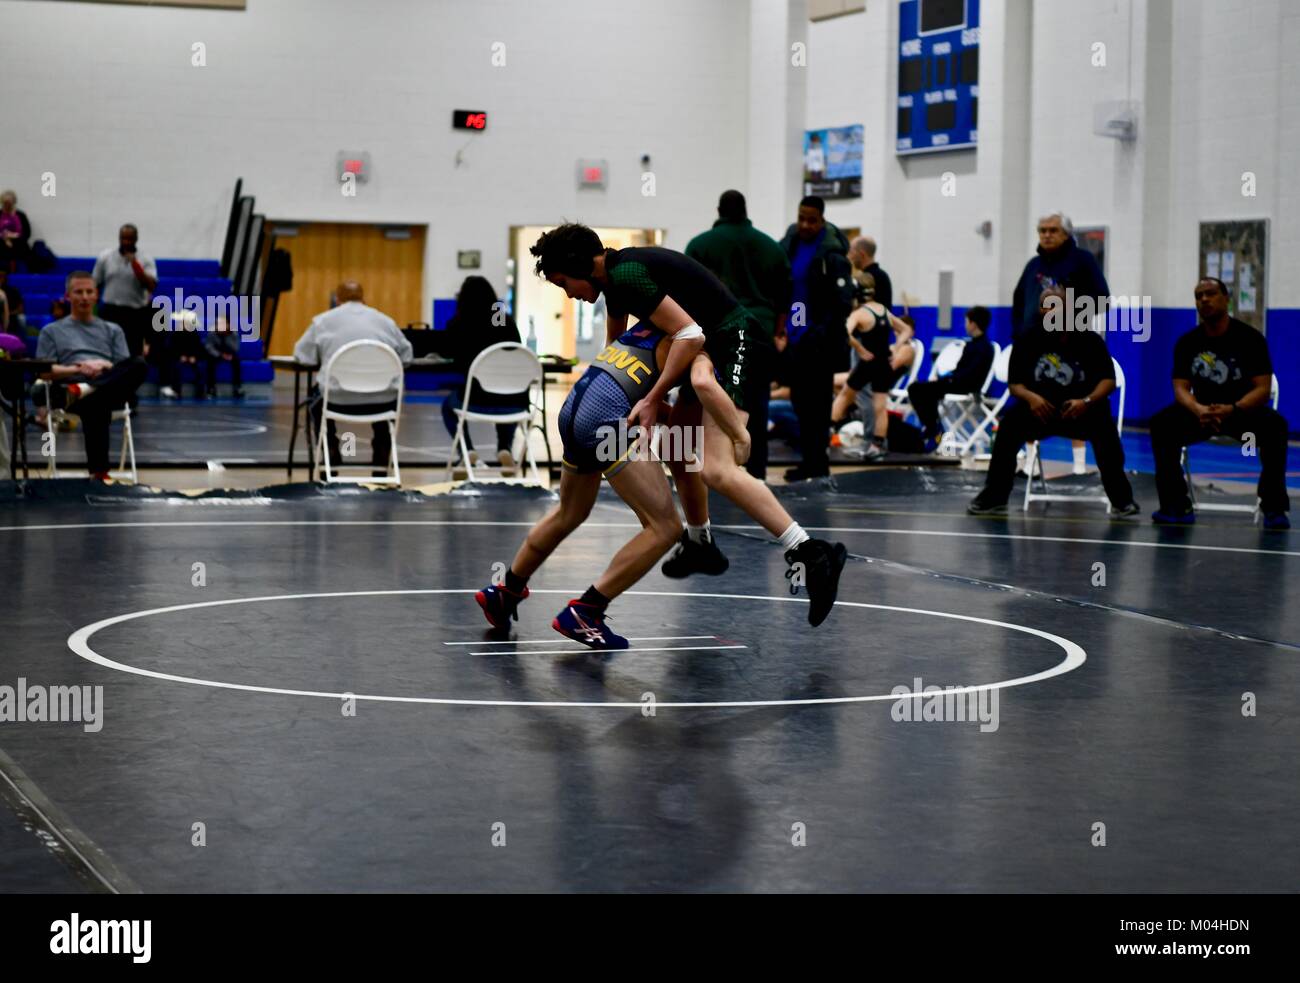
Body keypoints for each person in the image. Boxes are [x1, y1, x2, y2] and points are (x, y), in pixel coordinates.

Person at [530, 224, 848, 627]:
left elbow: (689, 332)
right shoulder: (613, 280)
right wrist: (635, 393)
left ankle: (811, 552)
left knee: (717, 469)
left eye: (563, 283)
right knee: (677, 448)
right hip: (705, 349)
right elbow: (616, 348)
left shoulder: (627, 272)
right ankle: (699, 542)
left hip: (735, 342)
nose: (569, 294)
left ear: (580, 265)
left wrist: (652, 397)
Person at [476, 325, 695, 649]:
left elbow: (651, 400)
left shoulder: (644, 329)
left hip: (575, 408)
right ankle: (587, 611)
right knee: (665, 527)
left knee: (570, 511)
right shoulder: (689, 340)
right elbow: (678, 415)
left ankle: (505, 591)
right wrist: (734, 435)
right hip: (604, 421)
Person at [967, 287, 1138, 516]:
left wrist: (1086, 401)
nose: (1052, 310)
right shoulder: (1027, 339)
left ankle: (1121, 500)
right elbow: (1015, 385)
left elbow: (1108, 381)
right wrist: (1032, 398)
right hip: (1041, 411)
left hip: (1082, 411)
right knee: (1008, 427)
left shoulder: (1090, 340)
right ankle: (994, 497)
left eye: (1057, 304)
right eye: (1046, 305)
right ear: (1040, 310)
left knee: (1106, 432)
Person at [1148, 278, 1289, 530]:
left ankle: (1273, 507)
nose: (1204, 299)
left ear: (1227, 299)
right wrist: (1197, 408)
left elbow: (1263, 389)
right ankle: (1176, 505)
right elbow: (1180, 387)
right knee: (1162, 425)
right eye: (1199, 295)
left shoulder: (1251, 338)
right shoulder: (1187, 342)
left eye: (1211, 293)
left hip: (1241, 415)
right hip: (1202, 415)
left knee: (1276, 427)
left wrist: (1234, 409)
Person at [685, 190, 792, 480]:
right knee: (758, 406)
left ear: (719, 210)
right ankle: (755, 473)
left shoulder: (700, 245)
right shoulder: (772, 247)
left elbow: (688, 294)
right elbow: (787, 299)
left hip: (717, 336)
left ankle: (700, 470)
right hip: (760, 335)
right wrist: (779, 332)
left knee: (701, 401)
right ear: (746, 210)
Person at [1011, 211, 1109, 475]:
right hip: (1034, 345)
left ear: (1066, 233)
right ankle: (1030, 464)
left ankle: (1079, 465)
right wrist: (1018, 333)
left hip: (1070, 343)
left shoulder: (1082, 261)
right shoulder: (1033, 265)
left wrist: (1068, 316)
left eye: (1053, 230)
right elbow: (1019, 300)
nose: (1047, 235)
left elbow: (1102, 299)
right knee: (1031, 402)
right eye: (1042, 230)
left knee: (1072, 397)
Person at [30, 271, 148, 479]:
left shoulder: (113, 330)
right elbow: (45, 371)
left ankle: (85, 390)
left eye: (89, 291)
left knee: (138, 364)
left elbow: (124, 368)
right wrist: (79, 368)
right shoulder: (51, 331)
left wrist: (104, 365)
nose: (84, 297)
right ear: (68, 296)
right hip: (67, 393)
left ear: (96, 295)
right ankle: (99, 473)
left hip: (102, 388)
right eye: (78, 292)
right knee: (97, 401)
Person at [294, 280, 413, 477]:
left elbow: (302, 357)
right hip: (383, 402)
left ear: (337, 300)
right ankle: (382, 457)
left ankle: (330, 451)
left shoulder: (322, 321)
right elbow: (406, 357)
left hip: (337, 401)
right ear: (363, 298)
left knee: (315, 404)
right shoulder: (386, 321)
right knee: (383, 400)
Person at [777, 196, 855, 481]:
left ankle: (819, 463)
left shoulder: (832, 254)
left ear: (822, 220)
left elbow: (842, 302)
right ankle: (808, 461)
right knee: (799, 403)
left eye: (812, 220)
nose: (805, 225)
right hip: (794, 337)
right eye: (801, 218)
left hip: (819, 343)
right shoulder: (790, 245)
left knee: (818, 406)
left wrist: (818, 331)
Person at [440, 276, 525, 475]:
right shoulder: (505, 321)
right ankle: (504, 448)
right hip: (513, 401)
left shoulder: (458, 323)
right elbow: (517, 350)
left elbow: (447, 353)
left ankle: (467, 450)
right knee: (506, 394)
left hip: (474, 399)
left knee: (448, 406)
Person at [830, 274, 914, 460]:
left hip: (868, 363)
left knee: (844, 396)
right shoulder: (883, 310)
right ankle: (876, 447)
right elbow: (907, 330)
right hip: (883, 363)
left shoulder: (859, 314)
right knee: (880, 406)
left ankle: (825, 436)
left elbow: (844, 332)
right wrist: (897, 346)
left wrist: (859, 348)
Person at [907, 305, 996, 451]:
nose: (965, 324)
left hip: (966, 386)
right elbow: (960, 369)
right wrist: (945, 377)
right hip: (957, 381)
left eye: (966, 321)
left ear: (973, 324)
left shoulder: (984, 347)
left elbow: (970, 373)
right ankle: (933, 425)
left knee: (917, 389)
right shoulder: (971, 345)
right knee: (919, 389)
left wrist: (948, 379)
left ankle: (933, 428)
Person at [93, 224, 160, 404]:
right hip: (110, 310)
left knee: (132, 356)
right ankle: (105, 393)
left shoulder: (145, 259)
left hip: (134, 313)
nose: (126, 242)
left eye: (130, 239)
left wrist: (135, 265)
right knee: (107, 351)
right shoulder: (106, 257)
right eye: (123, 238)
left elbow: (151, 285)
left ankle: (130, 397)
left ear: (136, 239)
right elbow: (95, 283)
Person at [202, 315, 245, 399]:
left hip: (229, 353)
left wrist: (225, 337)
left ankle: (237, 387)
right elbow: (208, 347)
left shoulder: (233, 334)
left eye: (222, 323)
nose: (220, 326)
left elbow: (236, 348)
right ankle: (211, 388)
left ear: (228, 325)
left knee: (237, 360)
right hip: (216, 354)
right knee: (210, 362)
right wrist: (220, 355)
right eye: (218, 323)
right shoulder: (212, 333)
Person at [848, 236, 893, 312]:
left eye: (851, 252)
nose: (850, 257)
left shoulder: (867, 278)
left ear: (862, 254)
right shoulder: (883, 275)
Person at [0, 191, 32, 273]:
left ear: (13, 203)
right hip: (1, 242)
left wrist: (13, 236)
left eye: (9, 203)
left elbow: (27, 233)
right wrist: (5, 238)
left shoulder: (20, 215)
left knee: (18, 247)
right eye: (5, 203)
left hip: (18, 244)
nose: (7, 205)